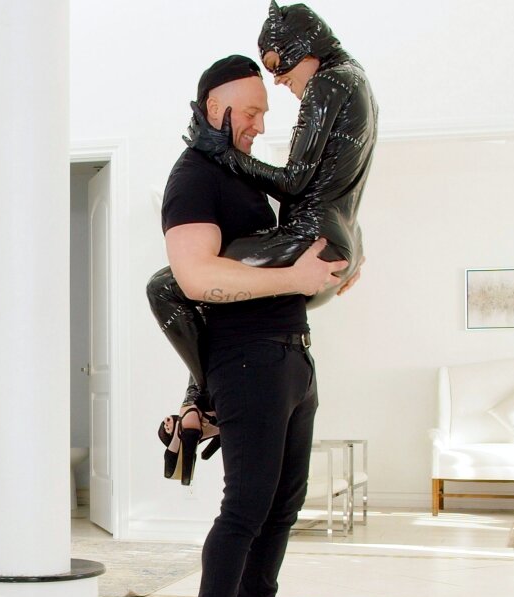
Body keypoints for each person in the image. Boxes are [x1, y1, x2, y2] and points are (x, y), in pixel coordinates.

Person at [152, 2, 377, 486]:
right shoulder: (353, 81)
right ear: (216, 109)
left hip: (304, 270)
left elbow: (295, 181)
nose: (278, 81)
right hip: (324, 255)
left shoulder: (329, 83)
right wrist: (349, 243)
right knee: (201, 292)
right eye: (252, 112)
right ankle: (199, 407)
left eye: (278, 66)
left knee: (165, 288)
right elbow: (201, 280)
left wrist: (222, 153)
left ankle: (202, 406)